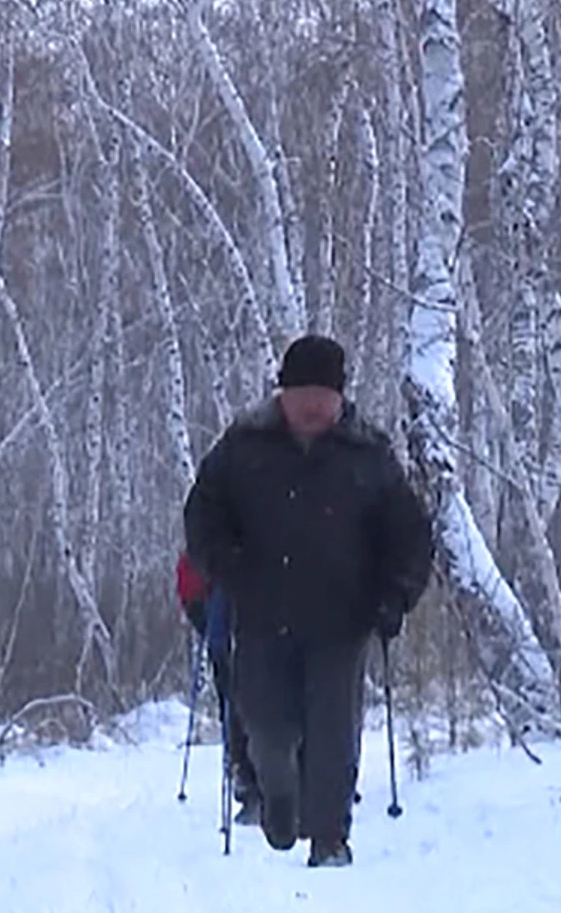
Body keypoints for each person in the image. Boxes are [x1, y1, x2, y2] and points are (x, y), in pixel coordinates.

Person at [183, 333, 434, 867]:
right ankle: (278, 793)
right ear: (283, 394)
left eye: (326, 399)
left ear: (342, 398)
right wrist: (223, 564)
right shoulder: (242, 446)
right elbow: (203, 513)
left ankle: (329, 837)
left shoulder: (369, 453)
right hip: (260, 611)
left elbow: (409, 533)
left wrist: (396, 596)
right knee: (269, 729)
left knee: (333, 732)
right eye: (305, 398)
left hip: (343, 616)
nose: (315, 409)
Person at [175, 546, 261, 825]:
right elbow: (190, 573)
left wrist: (199, 614)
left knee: (235, 705)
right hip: (233, 628)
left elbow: (189, 576)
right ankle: (252, 783)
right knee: (240, 704)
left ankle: (249, 781)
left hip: (230, 628)